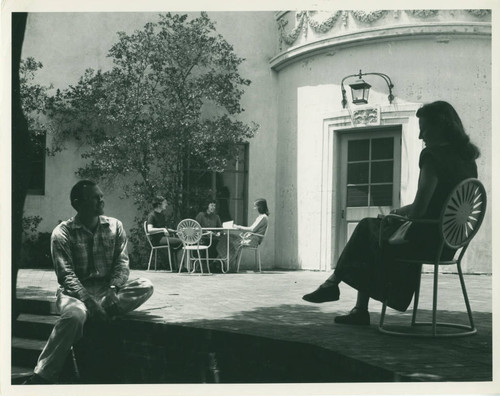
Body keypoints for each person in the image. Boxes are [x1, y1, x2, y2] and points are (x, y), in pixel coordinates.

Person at [303, 101, 480, 325]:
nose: (420, 136)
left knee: (367, 227)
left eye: (423, 128)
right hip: (447, 244)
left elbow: (419, 209)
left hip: (423, 240)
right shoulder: (467, 159)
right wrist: (397, 212)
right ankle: (347, 298)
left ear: (440, 126)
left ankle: (337, 287)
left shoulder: (432, 156)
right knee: (372, 230)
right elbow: (440, 206)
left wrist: (396, 216)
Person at [24, 180, 154, 384]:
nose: (101, 200)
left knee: (145, 285)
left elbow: (122, 263)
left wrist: (113, 288)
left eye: (101, 196)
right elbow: (66, 275)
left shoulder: (115, 226)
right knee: (75, 316)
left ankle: (100, 309)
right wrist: (90, 302)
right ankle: (43, 375)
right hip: (74, 294)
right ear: (77, 203)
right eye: (95, 197)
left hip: (107, 290)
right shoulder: (62, 232)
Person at [217, 198, 269, 272]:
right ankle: (224, 261)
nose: (254, 209)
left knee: (229, 239)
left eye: (256, 206)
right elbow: (254, 230)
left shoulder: (263, 217)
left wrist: (238, 227)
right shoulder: (261, 217)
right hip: (250, 237)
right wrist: (247, 233)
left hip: (253, 240)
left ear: (260, 207)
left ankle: (226, 262)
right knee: (226, 237)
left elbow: (252, 229)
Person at [146, 196, 183, 270]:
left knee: (180, 241)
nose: (166, 204)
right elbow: (149, 229)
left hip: (163, 238)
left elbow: (164, 228)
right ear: (159, 204)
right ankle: (179, 267)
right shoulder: (152, 215)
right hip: (157, 240)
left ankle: (176, 266)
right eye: (165, 203)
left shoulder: (161, 215)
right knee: (181, 242)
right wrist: (163, 229)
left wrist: (174, 231)